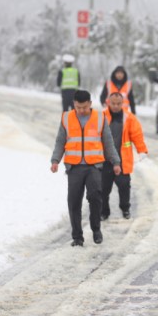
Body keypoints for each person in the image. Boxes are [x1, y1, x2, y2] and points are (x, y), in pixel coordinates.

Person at [50, 90, 121, 247]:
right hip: (74, 167)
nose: (81, 110)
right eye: (77, 107)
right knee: (74, 201)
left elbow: (108, 143)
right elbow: (60, 141)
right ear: (74, 104)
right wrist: (55, 160)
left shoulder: (100, 118)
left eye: (83, 107)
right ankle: (77, 237)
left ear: (90, 103)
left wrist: (116, 162)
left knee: (95, 196)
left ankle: (96, 229)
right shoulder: (67, 117)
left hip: (94, 166)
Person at [101, 92, 148, 220]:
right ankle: (104, 211)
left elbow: (137, 135)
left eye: (118, 103)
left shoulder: (129, 118)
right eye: (113, 103)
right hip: (105, 160)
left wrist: (141, 150)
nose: (116, 106)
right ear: (108, 103)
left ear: (122, 103)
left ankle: (125, 208)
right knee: (103, 188)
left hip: (122, 160)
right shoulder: (101, 117)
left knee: (124, 186)